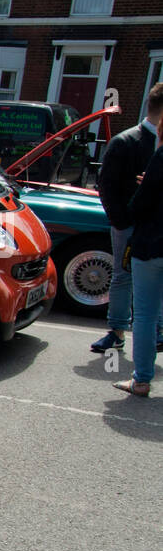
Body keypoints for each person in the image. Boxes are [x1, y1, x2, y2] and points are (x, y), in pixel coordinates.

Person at [93, 82, 163, 354]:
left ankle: (156, 333)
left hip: (157, 226)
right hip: (131, 225)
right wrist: (121, 223)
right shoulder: (126, 141)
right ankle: (117, 330)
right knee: (123, 276)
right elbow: (106, 186)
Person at [114, 119, 163, 396]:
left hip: (151, 246)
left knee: (145, 314)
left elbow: (138, 207)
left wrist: (148, 186)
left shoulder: (160, 157)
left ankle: (141, 379)